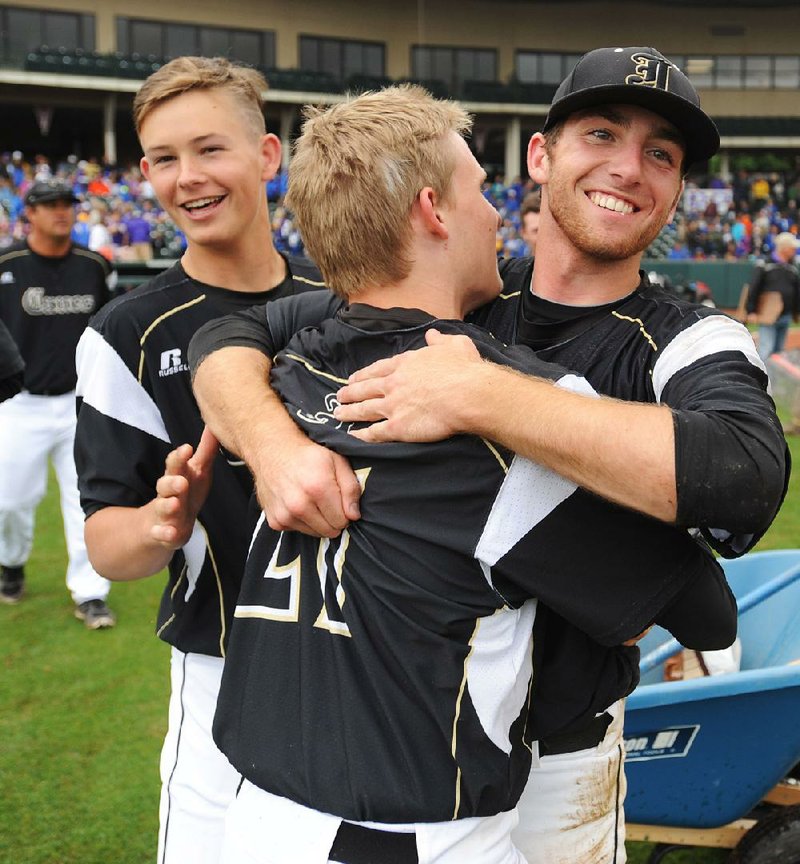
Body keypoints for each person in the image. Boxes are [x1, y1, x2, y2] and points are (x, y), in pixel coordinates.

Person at [188, 48, 788, 864]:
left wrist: (484, 396)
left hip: (557, 756)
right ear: (541, 155)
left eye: (662, 155)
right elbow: (227, 332)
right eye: (601, 134)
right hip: (411, 768)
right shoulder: (458, 285)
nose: (628, 168)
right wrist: (271, 446)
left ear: (679, 188)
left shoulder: (692, 335)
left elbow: (744, 475)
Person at [73, 57, 325, 864]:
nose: (189, 177)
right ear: (144, 172)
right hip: (222, 663)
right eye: (165, 158)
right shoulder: (125, 333)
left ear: (266, 155)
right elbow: (106, 543)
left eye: (210, 149)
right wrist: (159, 523)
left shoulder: (349, 292)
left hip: (363, 658)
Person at [0, 178, 116, 623]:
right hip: (17, 402)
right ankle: (11, 562)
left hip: (78, 403)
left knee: (84, 497)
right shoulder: (6, 264)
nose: (60, 211)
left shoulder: (92, 265)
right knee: (11, 501)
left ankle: (90, 592)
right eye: (49, 205)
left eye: (66, 203)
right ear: (29, 212)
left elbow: (107, 330)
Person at [746, 230, 800, 360]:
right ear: (784, 248)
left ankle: (774, 380)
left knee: (779, 352)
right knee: (766, 349)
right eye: (792, 247)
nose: (794, 250)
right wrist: (751, 310)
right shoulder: (765, 264)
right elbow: (754, 287)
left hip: (785, 315)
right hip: (768, 314)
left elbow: (796, 291)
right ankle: (762, 379)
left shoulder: (792, 267)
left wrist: (796, 312)